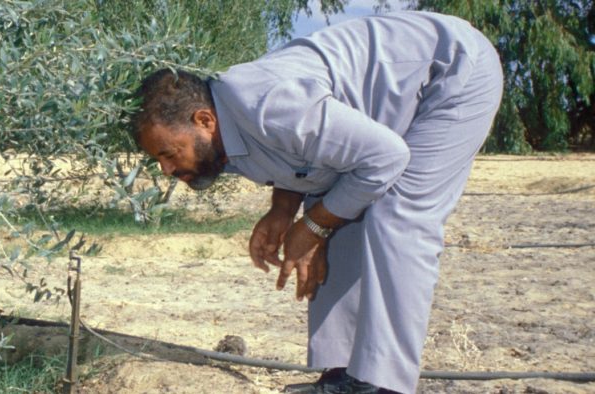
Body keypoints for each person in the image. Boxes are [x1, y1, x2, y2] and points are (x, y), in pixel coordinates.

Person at [129, 11, 503, 394]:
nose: (166, 168)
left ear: (204, 120)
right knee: (338, 207)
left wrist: (311, 227)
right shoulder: (223, 133)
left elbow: (387, 158)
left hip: (451, 71)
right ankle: (344, 375)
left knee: (396, 211)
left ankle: (383, 385)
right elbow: (310, 159)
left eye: (169, 153)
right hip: (392, 112)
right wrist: (283, 211)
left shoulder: (267, 104)